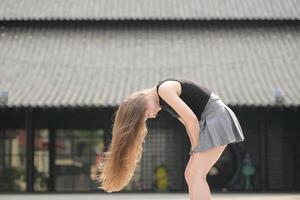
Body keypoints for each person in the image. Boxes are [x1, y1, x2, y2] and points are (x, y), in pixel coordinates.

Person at [98, 78, 245, 199]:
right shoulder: (165, 101)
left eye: (147, 115)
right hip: (211, 120)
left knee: (195, 174)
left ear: (142, 104)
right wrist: (195, 150)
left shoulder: (164, 89)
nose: (153, 116)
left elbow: (192, 121)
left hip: (216, 117)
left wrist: (196, 149)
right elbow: (188, 124)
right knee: (191, 174)